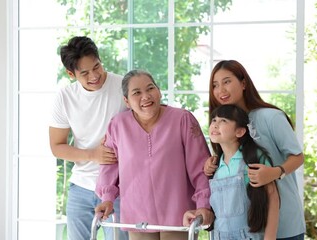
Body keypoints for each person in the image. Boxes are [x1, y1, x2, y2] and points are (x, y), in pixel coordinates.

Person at [94, 69, 213, 240]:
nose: (146, 96)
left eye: (150, 89)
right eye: (137, 93)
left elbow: (200, 166)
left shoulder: (182, 119)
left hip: (179, 214)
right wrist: (107, 199)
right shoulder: (118, 125)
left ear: (158, 91)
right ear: (126, 101)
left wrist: (203, 204)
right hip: (137, 215)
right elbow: (109, 166)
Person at [204, 60, 305, 239]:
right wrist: (212, 164)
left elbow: (297, 157)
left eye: (227, 81)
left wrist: (276, 172)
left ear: (243, 83)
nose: (221, 90)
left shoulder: (271, 117)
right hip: (250, 229)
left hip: (284, 224)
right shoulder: (224, 126)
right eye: (215, 85)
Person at [49, 36, 129, 240]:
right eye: (84, 73)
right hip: (81, 188)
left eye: (97, 67)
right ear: (71, 73)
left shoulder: (123, 86)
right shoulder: (65, 97)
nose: (94, 76)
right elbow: (57, 147)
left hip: (119, 189)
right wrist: (93, 155)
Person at [184, 104, 280, 239]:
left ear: (240, 131)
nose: (215, 125)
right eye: (214, 120)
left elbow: (273, 198)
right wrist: (198, 216)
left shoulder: (254, 158)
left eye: (223, 120)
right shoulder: (215, 166)